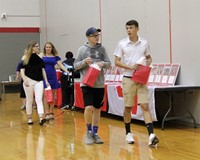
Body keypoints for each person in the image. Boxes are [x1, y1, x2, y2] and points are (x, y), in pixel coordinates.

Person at [114, 20, 159, 146]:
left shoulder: (144, 43)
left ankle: (151, 135)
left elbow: (149, 57)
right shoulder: (122, 43)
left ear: (137, 29)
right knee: (128, 107)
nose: (129, 30)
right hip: (128, 79)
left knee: (145, 106)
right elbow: (116, 61)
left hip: (141, 79)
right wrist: (130, 67)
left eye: (131, 28)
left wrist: (148, 62)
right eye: (127, 28)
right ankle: (128, 133)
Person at [74, 27, 111, 144]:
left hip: (99, 84)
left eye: (97, 35)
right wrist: (84, 61)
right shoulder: (82, 49)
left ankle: (95, 133)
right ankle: (88, 132)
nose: (96, 37)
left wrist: (103, 63)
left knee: (97, 109)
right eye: (94, 35)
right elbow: (75, 66)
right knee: (88, 107)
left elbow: (109, 64)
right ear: (88, 37)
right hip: (87, 83)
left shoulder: (102, 49)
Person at [20, 40, 49, 125]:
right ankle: (29, 118)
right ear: (32, 48)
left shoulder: (40, 59)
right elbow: (22, 71)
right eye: (37, 46)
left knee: (39, 99)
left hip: (39, 81)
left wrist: (46, 80)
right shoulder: (25, 58)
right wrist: (25, 79)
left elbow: (43, 70)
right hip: (28, 81)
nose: (38, 47)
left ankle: (41, 118)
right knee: (29, 100)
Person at [40, 42, 69, 120]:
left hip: (53, 76)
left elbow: (61, 65)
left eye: (49, 47)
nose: (48, 48)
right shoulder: (41, 56)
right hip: (44, 76)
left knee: (52, 95)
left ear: (52, 48)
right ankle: (46, 113)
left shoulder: (55, 57)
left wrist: (66, 71)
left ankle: (51, 112)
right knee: (46, 96)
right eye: (47, 47)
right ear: (45, 48)